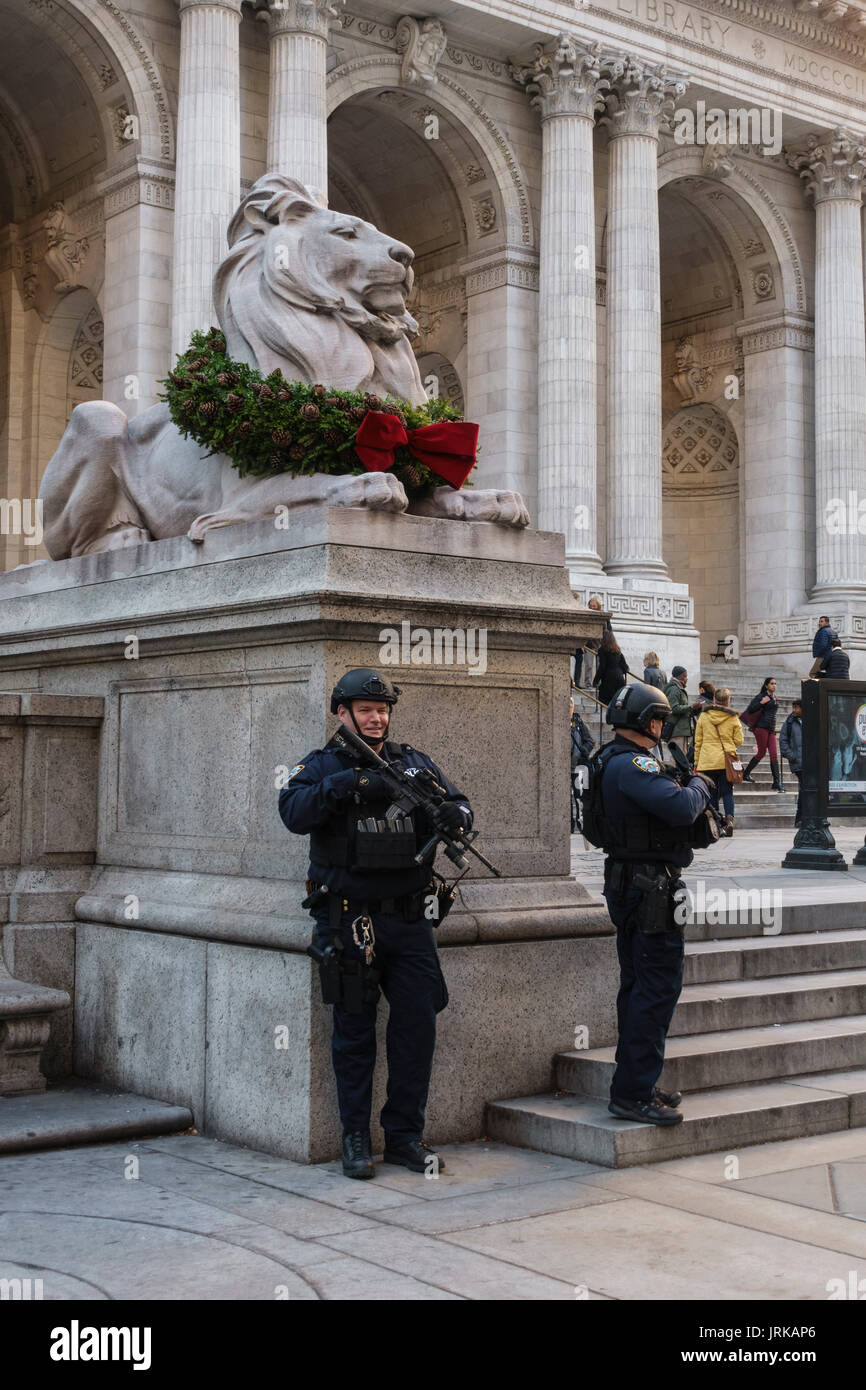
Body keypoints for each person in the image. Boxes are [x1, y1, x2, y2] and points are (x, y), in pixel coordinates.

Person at [278, 668, 472, 1180]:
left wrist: (459, 817)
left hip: (409, 922)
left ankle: (405, 1137)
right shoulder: (321, 765)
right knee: (354, 1033)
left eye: (382, 708)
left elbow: (458, 802)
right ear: (342, 713)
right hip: (349, 921)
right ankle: (355, 1138)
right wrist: (348, 783)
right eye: (365, 709)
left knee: (416, 1028)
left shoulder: (413, 762)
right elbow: (292, 811)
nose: (376, 716)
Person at [596, 683, 714, 1126]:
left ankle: (637, 1082)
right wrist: (702, 782)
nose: (663, 727)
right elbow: (683, 808)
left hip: (629, 883)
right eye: (660, 720)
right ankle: (631, 1094)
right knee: (656, 990)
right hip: (650, 890)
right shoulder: (636, 763)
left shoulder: (609, 759)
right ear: (649, 722)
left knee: (637, 987)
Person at [694, 687, 743, 836]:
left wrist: (696, 762)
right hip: (725, 760)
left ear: (714, 700)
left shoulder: (704, 716)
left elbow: (698, 741)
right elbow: (739, 740)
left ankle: (716, 822)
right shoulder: (733, 718)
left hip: (707, 760)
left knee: (712, 794)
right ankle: (729, 821)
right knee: (727, 792)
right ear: (728, 700)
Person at [742, 676, 781, 790]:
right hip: (761, 728)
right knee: (761, 753)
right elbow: (751, 709)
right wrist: (762, 702)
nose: (774, 685)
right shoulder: (761, 696)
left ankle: (776, 782)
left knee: (774, 754)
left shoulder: (774, 697)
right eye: (772, 683)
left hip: (771, 729)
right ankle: (746, 773)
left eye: (775, 683)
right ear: (766, 685)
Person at [570, 689, 595, 832]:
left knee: (581, 797)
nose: (568, 708)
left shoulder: (578, 722)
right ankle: (568, 826)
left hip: (579, 766)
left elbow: (590, 741)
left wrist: (582, 751)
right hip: (562, 768)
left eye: (571, 706)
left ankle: (583, 825)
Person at [574, 595, 609, 690]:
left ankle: (598, 683)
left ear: (598, 606)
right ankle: (588, 683)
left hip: (599, 645)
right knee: (588, 665)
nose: (592, 607)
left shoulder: (602, 617)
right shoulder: (586, 616)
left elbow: (606, 631)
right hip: (588, 645)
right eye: (591, 605)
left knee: (599, 666)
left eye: (594, 606)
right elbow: (583, 630)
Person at [780, 699, 803, 825]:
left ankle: (801, 818)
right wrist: (791, 756)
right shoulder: (789, 722)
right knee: (804, 789)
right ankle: (800, 818)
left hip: (811, 761)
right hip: (798, 762)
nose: (794, 710)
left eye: (796, 708)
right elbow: (783, 740)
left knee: (805, 790)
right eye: (793, 707)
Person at [593, 629, 630, 704]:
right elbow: (625, 667)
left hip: (608, 679)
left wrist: (596, 680)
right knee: (618, 702)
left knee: (606, 702)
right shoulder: (617, 650)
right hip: (619, 678)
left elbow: (602, 667)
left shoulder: (602, 650)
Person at [663, 666, 693, 756]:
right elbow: (674, 708)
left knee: (681, 757)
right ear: (679, 676)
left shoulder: (678, 688)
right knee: (677, 758)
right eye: (685, 676)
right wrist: (691, 707)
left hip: (681, 729)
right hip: (677, 730)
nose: (686, 678)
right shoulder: (674, 689)